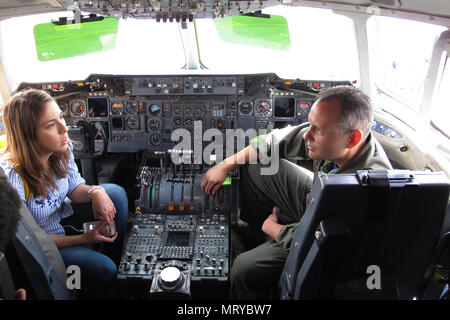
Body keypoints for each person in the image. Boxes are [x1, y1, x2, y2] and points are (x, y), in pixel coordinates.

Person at [200, 85, 393, 299]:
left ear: (352, 138)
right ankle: (256, 235)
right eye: (310, 124)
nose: (306, 135)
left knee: (244, 269)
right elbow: (273, 141)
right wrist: (225, 165)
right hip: (318, 205)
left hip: (328, 243)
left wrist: (274, 229)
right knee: (261, 164)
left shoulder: (363, 189)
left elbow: (321, 242)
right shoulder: (338, 141)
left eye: (318, 129)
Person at [0, 88, 128, 299]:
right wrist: (82, 238)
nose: (64, 128)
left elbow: (74, 189)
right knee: (105, 270)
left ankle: (116, 257)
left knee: (115, 194)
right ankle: (100, 283)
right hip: (46, 246)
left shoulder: (60, 149)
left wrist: (96, 191)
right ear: (28, 135)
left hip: (62, 218)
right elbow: (31, 242)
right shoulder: (11, 180)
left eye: (61, 117)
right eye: (51, 125)